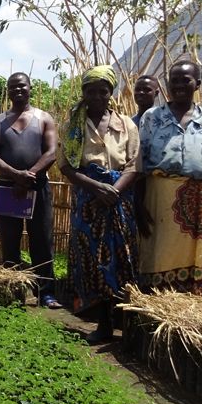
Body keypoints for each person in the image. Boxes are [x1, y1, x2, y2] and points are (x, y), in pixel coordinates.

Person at [136, 58, 202, 295]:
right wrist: (138, 204)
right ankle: (155, 306)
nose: (178, 85)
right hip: (158, 198)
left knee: (194, 257)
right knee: (156, 254)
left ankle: (189, 307)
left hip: (197, 199)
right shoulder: (152, 117)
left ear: (197, 84)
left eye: (185, 80)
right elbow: (139, 163)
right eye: (173, 80)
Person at [59, 66, 140, 341]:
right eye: (90, 91)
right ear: (83, 93)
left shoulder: (126, 124)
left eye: (102, 91)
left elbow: (133, 165)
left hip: (119, 200)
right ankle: (103, 325)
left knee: (123, 260)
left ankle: (127, 327)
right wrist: (96, 188)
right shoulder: (73, 126)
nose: (96, 96)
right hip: (88, 199)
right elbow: (67, 167)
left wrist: (113, 191)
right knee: (93, 262)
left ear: (110, 92)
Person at [0, 72, 61, 308]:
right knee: (9, 240)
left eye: (22, 86)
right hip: (8, 186)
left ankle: (45, 292)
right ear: (7, 91)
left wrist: (30, 175)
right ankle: (12, 290)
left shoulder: (44, 118)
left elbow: (51, 152)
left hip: (37, 185)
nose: (17, 90)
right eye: (12, 87)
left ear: (30, 87)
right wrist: (15, 175)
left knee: (41, 240)